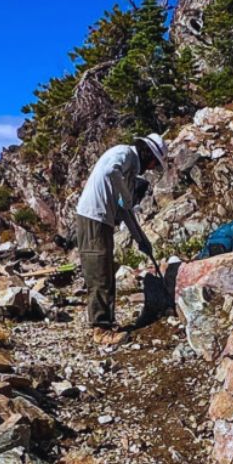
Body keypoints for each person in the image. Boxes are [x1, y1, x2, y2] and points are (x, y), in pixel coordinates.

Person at [75, 132, 165, 332]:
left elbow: (125, 210)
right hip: (93, 216)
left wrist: (141, 240)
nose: (151, 168)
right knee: (99, 269)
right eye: (153, 163)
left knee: (106, 269)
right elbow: (110, 171)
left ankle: (106, 323)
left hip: (103, 219)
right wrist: (126, 195)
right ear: (147, 154)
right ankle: (101, 328)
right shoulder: (124, 153)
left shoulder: (130, 170)